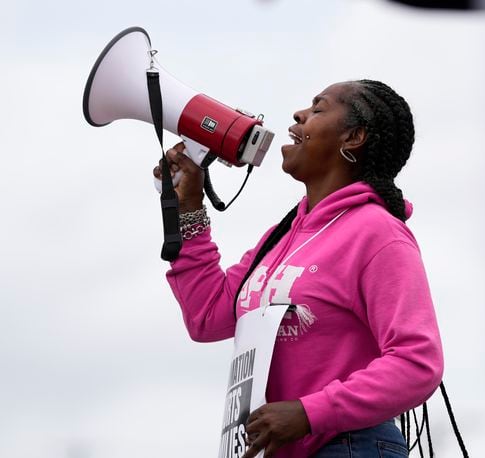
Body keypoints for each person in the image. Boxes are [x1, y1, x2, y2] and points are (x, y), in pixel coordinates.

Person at [154, 79, 444, 457]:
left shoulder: (377, 233)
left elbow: (417, 361)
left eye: (318, 108)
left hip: (349, 446)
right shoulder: (282, 238)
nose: (298, 114)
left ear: (353, 137)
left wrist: (310, 413)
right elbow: (207, 316)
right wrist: (189, 207)